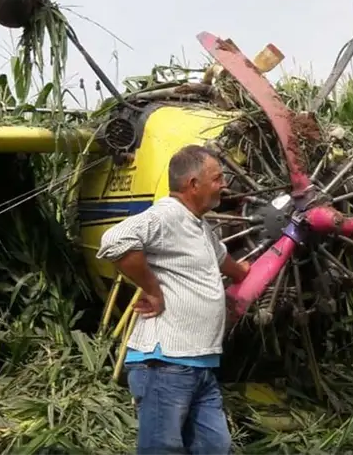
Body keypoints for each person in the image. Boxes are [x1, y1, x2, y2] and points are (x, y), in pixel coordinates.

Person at [96, 144, 251, 454]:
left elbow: (229, 265)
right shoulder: (167, 216)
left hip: (200, 365)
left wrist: (272, 252)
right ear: (193, 184)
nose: (224, 185)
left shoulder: (201, 227)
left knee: (215, 447)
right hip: (164, 365)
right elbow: (114, 242)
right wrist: (152, 289)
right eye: (217, 178)